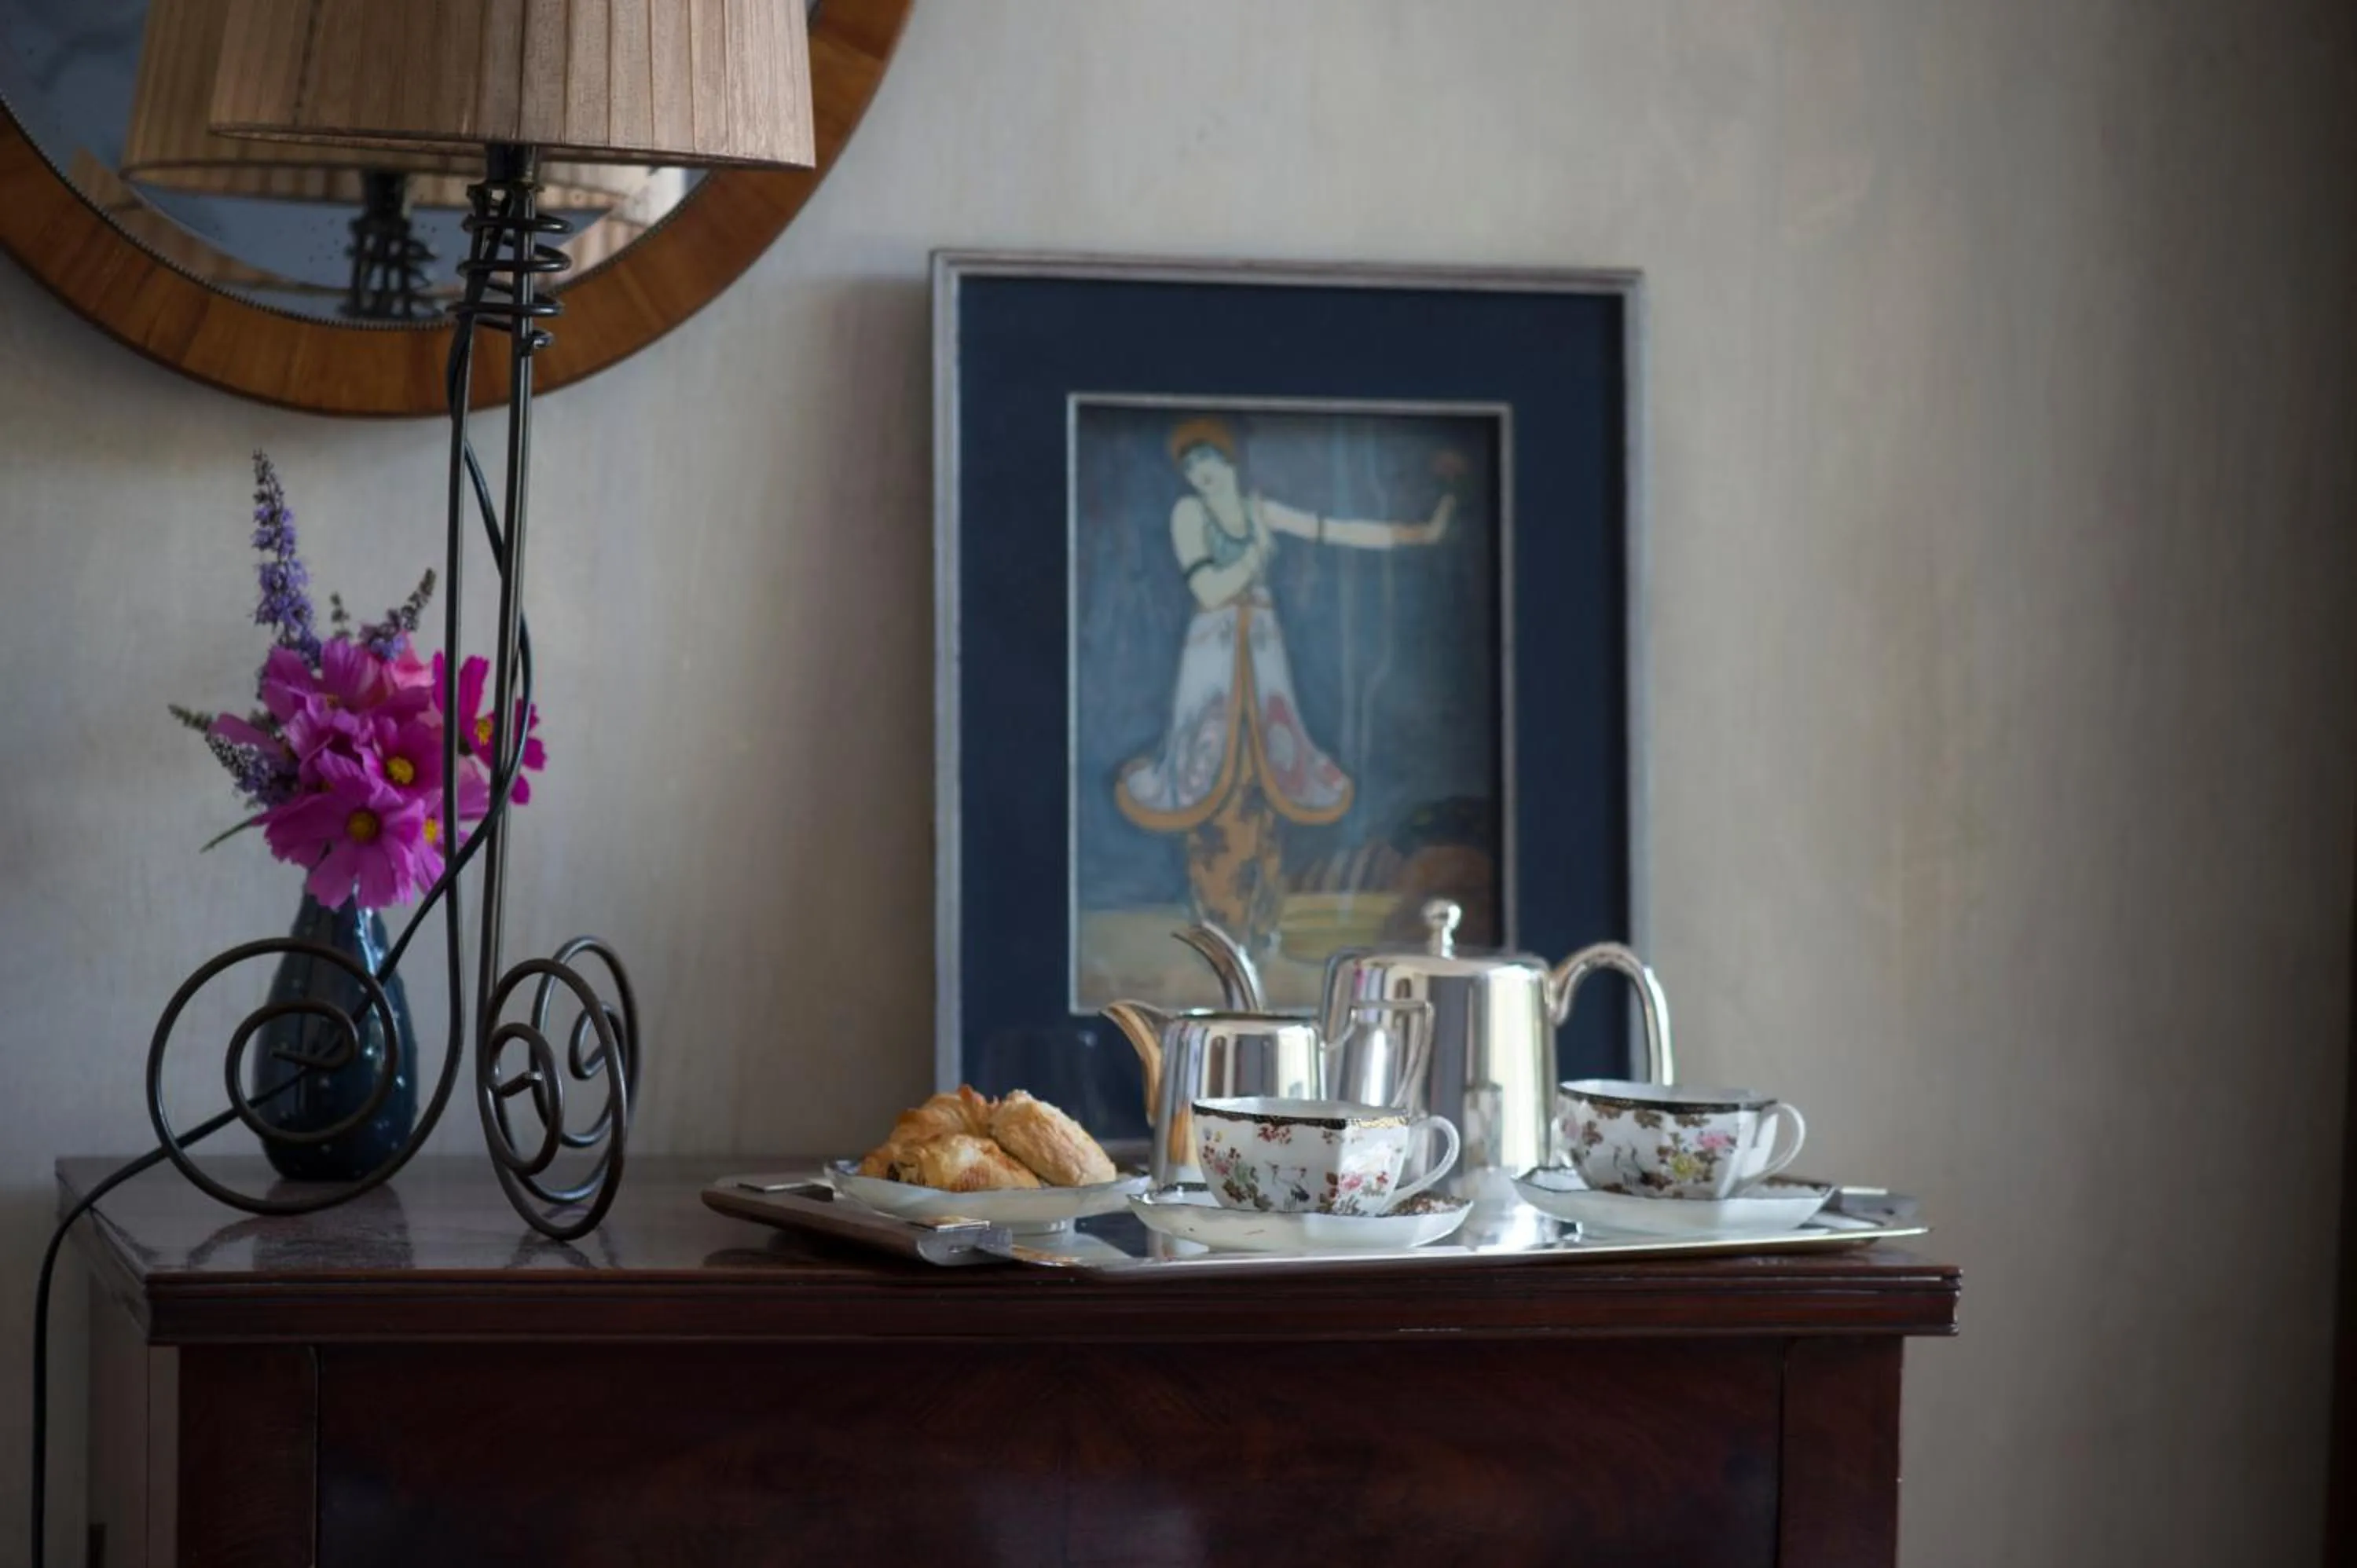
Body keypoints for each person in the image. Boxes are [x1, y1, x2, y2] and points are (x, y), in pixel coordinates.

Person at [1116, 416, 1454, 952]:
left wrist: (1418, 534)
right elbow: (1209, 586)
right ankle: (1215, 927)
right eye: (1191, 465)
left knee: (1264, 788)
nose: (1200, 473)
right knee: (1210, 781)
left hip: (1263, 655)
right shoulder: (1188, 514)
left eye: (1208, 460)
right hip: (1213, 658)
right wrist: (1255, 552)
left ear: (1227, 463)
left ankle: (1259, 923)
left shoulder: (1257, 511)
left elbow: (1334, 529)